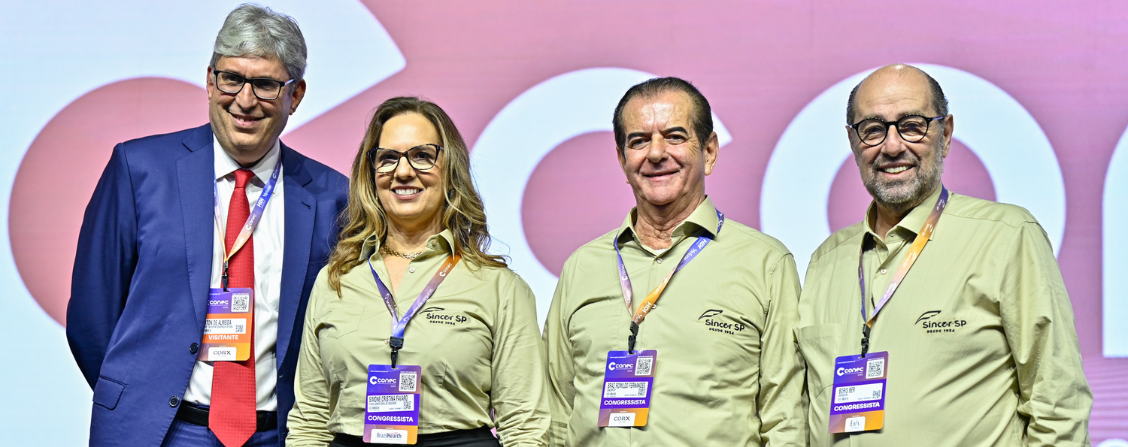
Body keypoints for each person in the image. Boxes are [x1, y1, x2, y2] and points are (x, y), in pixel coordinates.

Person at [66, 4, 349, 446]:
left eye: (266, 84)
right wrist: (138, 396)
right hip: (157, 432)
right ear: (210, 80)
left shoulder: (333, 196)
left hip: (277, 434)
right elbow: (91, 315)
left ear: (295, 95)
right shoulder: (139, 168)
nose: (245, 100)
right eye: (231, 78)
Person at [796, 64, 1092, 446]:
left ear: (946, 134)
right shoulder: (825, 262)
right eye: (873, 129)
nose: (892, 146)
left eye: (912, 125)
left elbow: (1059, 406)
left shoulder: (1006, 237)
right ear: (854, 142)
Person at [542, 77, 807, 446]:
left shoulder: (766, 264)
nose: (655, 153)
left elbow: (785, 421)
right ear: (622, 159)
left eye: (675, 137)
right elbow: (553, 412)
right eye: (639, 141)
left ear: (709, 152)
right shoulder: (582, 267)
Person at [286, 96, 550, 447]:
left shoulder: (500, 288)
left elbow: (525, 427)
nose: (403, 171)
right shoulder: (335, 281)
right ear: (371, 174)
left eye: (422, 156)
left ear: (450, 169)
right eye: (388, 158)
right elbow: (311, 421)